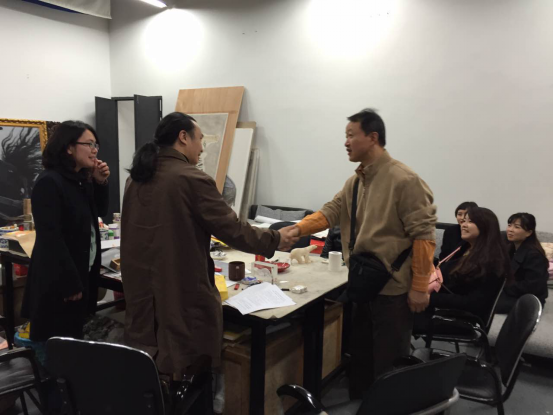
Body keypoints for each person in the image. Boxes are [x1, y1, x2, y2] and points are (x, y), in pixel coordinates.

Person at [121, 112, 298, 381]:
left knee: (150, 362)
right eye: (200, 139)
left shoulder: (136, 178)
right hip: (179, 290)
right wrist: (275, 239)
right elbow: (233, 230)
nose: (202, 148)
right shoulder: (190, 178)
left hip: (141, 290)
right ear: (183, 137)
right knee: (184, 363)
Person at [293, 109, 437, 395]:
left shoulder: (404, 180)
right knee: (360, 355)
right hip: (362, 282)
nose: (345, 142)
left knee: (389, 361)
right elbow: (331, 211)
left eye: (351, 135)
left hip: (393, 290)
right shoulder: (356, 182)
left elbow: (423, 236)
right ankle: (360, 402)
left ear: (372, 137)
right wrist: (296, 230)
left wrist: (420, 286)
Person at [21, 121, 110, 356]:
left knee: (73, 343)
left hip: (80, 273)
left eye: (96, 145)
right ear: (69, 147)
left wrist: (100, 182)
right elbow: (51, 238)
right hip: (59, 281)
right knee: (56, 347)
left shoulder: (80, 180)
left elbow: (100, 211)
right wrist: (69, 282)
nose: (94, 150)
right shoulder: (50, 182)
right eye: (89, 144)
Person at [418, 207, 510, 329]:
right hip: (440, 308)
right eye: (464, 221)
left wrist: (429, 298)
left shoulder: (491, 261)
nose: (463, 225)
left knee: (398, 313)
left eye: (470, 221)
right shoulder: (465, 249)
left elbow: (473, 302)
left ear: (485, 226)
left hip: (457, 317)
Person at [496, 213, 549, 313]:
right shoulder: (510, 247)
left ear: (528, 232)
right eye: (509, 225)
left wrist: (504, 286)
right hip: (511, 292)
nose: (510, 230)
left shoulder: (535, 255)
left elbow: (532, 287)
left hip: (528, 299)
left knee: (487, 303)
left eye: (517, 227)